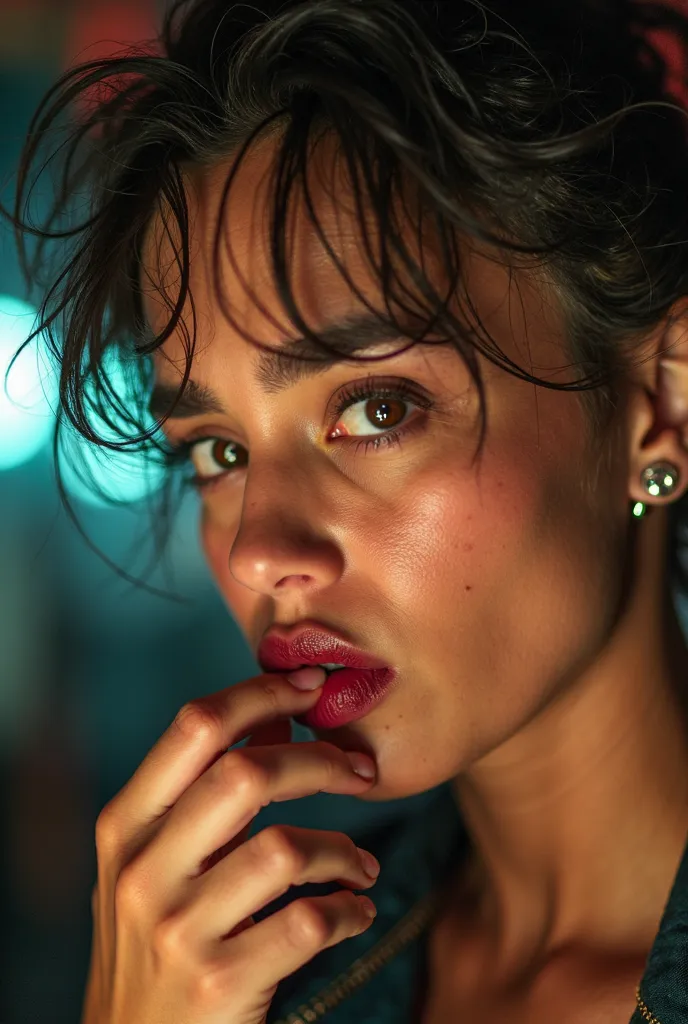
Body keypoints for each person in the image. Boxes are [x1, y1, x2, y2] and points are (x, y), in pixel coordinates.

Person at [10, 0, 688, 1020]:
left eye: (376, 409)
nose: (255, 554)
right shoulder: (251, 983)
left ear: (659, 403)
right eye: (219, 449)